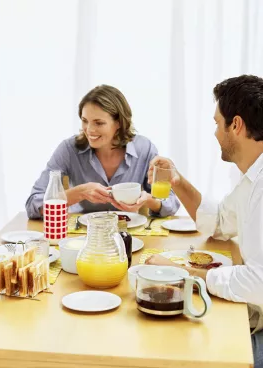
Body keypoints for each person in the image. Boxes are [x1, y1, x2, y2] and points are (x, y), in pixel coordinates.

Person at [145, 75, 263, 367]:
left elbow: (258, 283)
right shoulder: (252, 180)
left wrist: (181, 272)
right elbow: (220, 222)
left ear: (235, 125)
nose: (214, 133)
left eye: (216, 123)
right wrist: (176, 180)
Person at [26, 85, 180, 218]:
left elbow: (171, 203)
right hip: (82, 236)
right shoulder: (68, 149)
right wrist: (79, 193)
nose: (90, 130)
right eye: (85, 121)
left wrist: (149, 201)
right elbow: (33, 204)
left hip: (131, 235)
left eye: (99, 123)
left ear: (119, 123)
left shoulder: (144, 148)